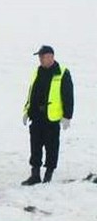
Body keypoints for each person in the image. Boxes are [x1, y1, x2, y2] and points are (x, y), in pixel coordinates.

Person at [21, 45, 74, 185]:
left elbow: (68, 96)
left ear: (51, 56)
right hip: (36, 116)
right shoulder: (37, 72)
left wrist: (67, 116)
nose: (40, 59)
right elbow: (31, 93)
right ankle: (35, 174)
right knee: (35, 146)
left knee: (51, 147)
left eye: (42, 56)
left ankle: (48, 174)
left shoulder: (62, 73)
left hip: (51, 117)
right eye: (39, 57)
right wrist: (26, 111)